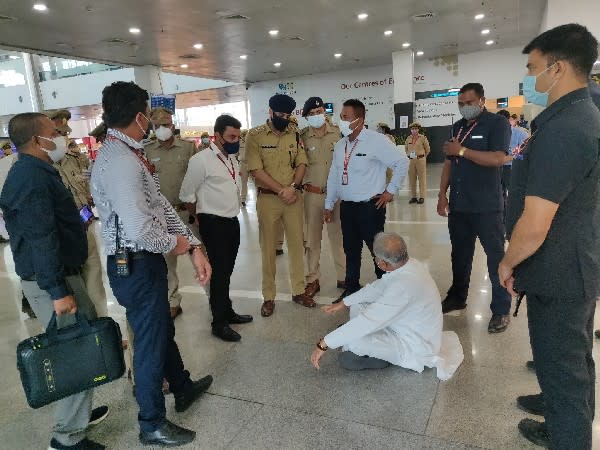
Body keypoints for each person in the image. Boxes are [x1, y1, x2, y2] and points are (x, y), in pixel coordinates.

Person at [90, 81, 213, 447]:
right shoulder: (121, 163)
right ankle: (151, 423)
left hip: (146, 262)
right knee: (148, 343)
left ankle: (182, 386)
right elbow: (143, 230)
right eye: (149, 115)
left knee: (160, 330)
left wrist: (192, 244)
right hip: (136, 264)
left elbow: (160, 207)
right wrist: (180, 245)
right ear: (140, 116)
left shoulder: (131, 153)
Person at [499, 24, 600, 449]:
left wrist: (507, 261)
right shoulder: (579, 115)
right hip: (572, 261)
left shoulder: (565, 129)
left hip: (559, 269)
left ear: (556, 69)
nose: (529, 79)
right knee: (571, 359)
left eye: (533, 68)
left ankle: (568, 437)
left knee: (564, 367)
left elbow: (537, 221)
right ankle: (558, 419)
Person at [0, 113, 108, 450]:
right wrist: (58, 291)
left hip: (60, 273)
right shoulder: (31, 178)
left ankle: (78, 415)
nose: (60, 135)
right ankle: (67, 438)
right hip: (53, 279)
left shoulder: (35, 170)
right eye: (53, 132)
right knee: (75, 351)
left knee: (81, 341)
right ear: (36, 139)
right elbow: (40, 237)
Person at [310, 232, 463, 378]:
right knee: (359, 303)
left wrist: (324, 343)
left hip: (413, 345)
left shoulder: (402, 287)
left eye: (376, 258)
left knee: (351, 351)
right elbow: (380, 286)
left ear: (382, 263)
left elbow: (369, 320)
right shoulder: (409, 264)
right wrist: (345, 302)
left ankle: (384, 358)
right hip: (405, 326)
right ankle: (353, 335)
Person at [438, 82, 512, 333]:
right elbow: (449, 163)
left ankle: (501, 309)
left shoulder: (496, 124)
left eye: (469, 103)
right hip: (459, 206)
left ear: (482, 100)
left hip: (487, 207)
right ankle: (457, 296)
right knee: (460, 255)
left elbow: (498, 158)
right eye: (460, 103)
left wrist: (463, 150)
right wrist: (441, 195)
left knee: (495, 258)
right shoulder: (457, 127)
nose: (464, 107)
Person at [325, 99, 408, 304]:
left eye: (345, 117)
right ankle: (351, 288)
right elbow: (334, 175)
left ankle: (387, 291)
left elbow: (401, 162)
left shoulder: (376, 141)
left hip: (370, 208)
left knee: (377, 251)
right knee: (350, 250)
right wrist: (328, 204)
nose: (340, 121)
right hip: (347, 207)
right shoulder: (340, 145)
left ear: (359, 120)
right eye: (341, 116)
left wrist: (390, 191)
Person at [180, 114, 253, 342]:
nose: (235, 141)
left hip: (232, 221)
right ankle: (218, 323)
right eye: (231, 136)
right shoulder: (200, 160)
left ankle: (227, 311)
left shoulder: (232, 158)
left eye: (238, 137)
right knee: (218, 274)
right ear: (218, 135)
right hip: (213, 223)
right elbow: (186, 195)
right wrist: (200, 216)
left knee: (226, 272)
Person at [245, 93, 313, 317]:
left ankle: (299, 290)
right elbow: (256, 170)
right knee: (268, 250)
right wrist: (281, 190)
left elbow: (302, 162)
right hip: (268, 200)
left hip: (293, 198)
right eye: (280, 114)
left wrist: (293, 187)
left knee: (296, 246)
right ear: (270, 111)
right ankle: (269, 296)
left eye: (287, 115)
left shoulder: (294, 134)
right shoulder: (254, 136)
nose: (283, 118)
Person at [145, 107, 198, 319]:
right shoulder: (147, 151)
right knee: (167, 265)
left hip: (187, 212)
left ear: (173, 125)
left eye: (165, 125)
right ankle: (173, 301)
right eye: (157, 126)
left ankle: (216, 300)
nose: (162, 129)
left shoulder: (187, 147)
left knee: (201, 255)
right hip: (163, 218)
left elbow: (198, 179)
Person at [54, 139, 109, 318]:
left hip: (85, 226)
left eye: (63, 134)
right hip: (62, 233)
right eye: (57, 132)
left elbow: (84, 186)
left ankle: (102, 326)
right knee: (72, 284)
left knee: (94, 277)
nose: (61, 138)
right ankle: (85, 335)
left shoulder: (75, 158)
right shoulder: (39, 165)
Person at [300, 96, 346, 296]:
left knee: (339, 237)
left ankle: (344, 278)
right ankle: (312, 279)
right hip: (312, 196)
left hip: (337, 196)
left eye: (319, 112)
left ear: (324, 113)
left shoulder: (338, 132)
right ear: (306, 117)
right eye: (312, 114)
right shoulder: (301, 137)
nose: (317, 116)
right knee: (312, 240)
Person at [496, 110, 529, 221]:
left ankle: (519, 219)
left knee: (515, 195)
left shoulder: (520, 133)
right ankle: (503, 220)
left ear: (508, 120)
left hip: (512, 168)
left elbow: (526, 153)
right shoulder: (494, 135)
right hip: (497, 168)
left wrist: (515, 157)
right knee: (499, 196)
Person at [404, 122, 431, 204]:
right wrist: (409, 156)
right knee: (412, 179)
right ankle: (413, 197)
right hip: (411, 160)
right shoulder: (408, 138)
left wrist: (422, 157)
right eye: (412, 129)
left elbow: (428, 149)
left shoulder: (423, 138)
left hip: (420, 160)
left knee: (422, 178)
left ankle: (422, 197)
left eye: (415, 129)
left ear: (418, 129)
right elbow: (406, 149)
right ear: (411, 130)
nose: (414, 130)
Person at [238, 129, 249, 206]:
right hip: (242, 164)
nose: (244, 136)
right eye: (243, 134)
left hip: (252, 163)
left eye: (245, 134)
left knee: (257, 182)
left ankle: (259, 197)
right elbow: (235, 153)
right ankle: (243, 199)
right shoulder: (238, 143)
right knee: (243, 182)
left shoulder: (251, 141)